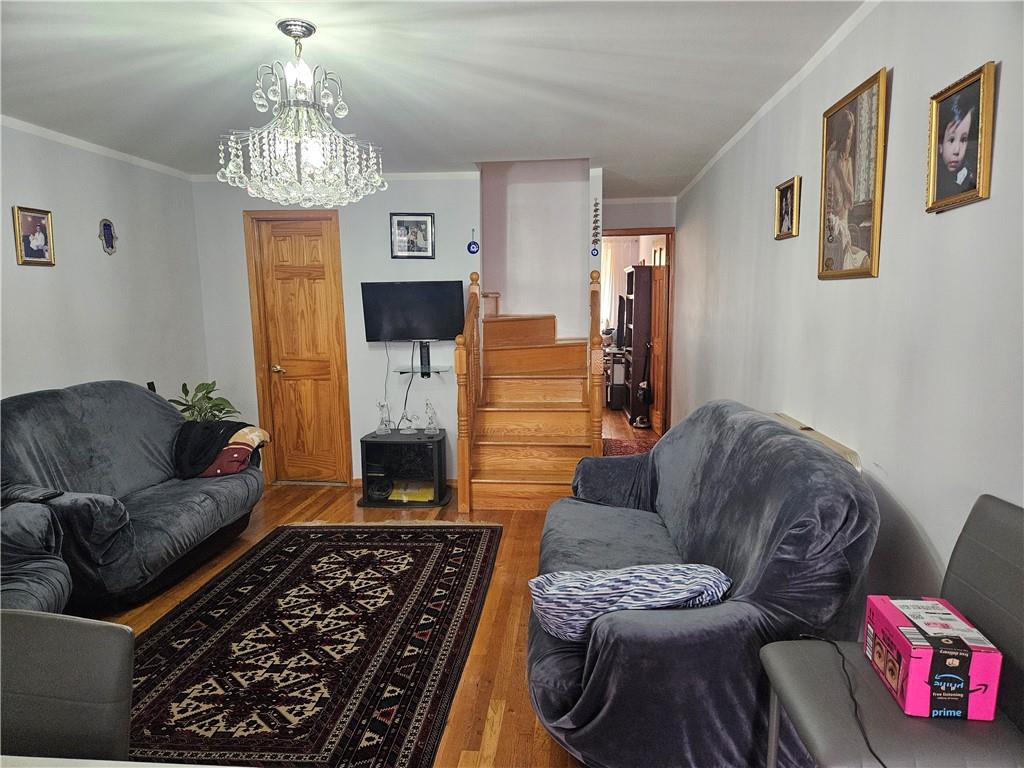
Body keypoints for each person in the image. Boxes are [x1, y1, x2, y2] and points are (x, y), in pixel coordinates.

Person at [823, 108, 866, 271]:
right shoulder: (829, 158)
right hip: (831, 229)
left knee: (859, 258)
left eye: (851, 138)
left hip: (843, 229)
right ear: (841, 137)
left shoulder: (847, 164)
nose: (849, 143)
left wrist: (841, 175)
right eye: (847, 137)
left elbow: (851, 201)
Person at [935, 87, 978, 200]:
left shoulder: (969, 176)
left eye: (963, 140)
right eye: (951, 140)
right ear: (940, 145)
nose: (957, 151)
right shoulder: (937, 183)